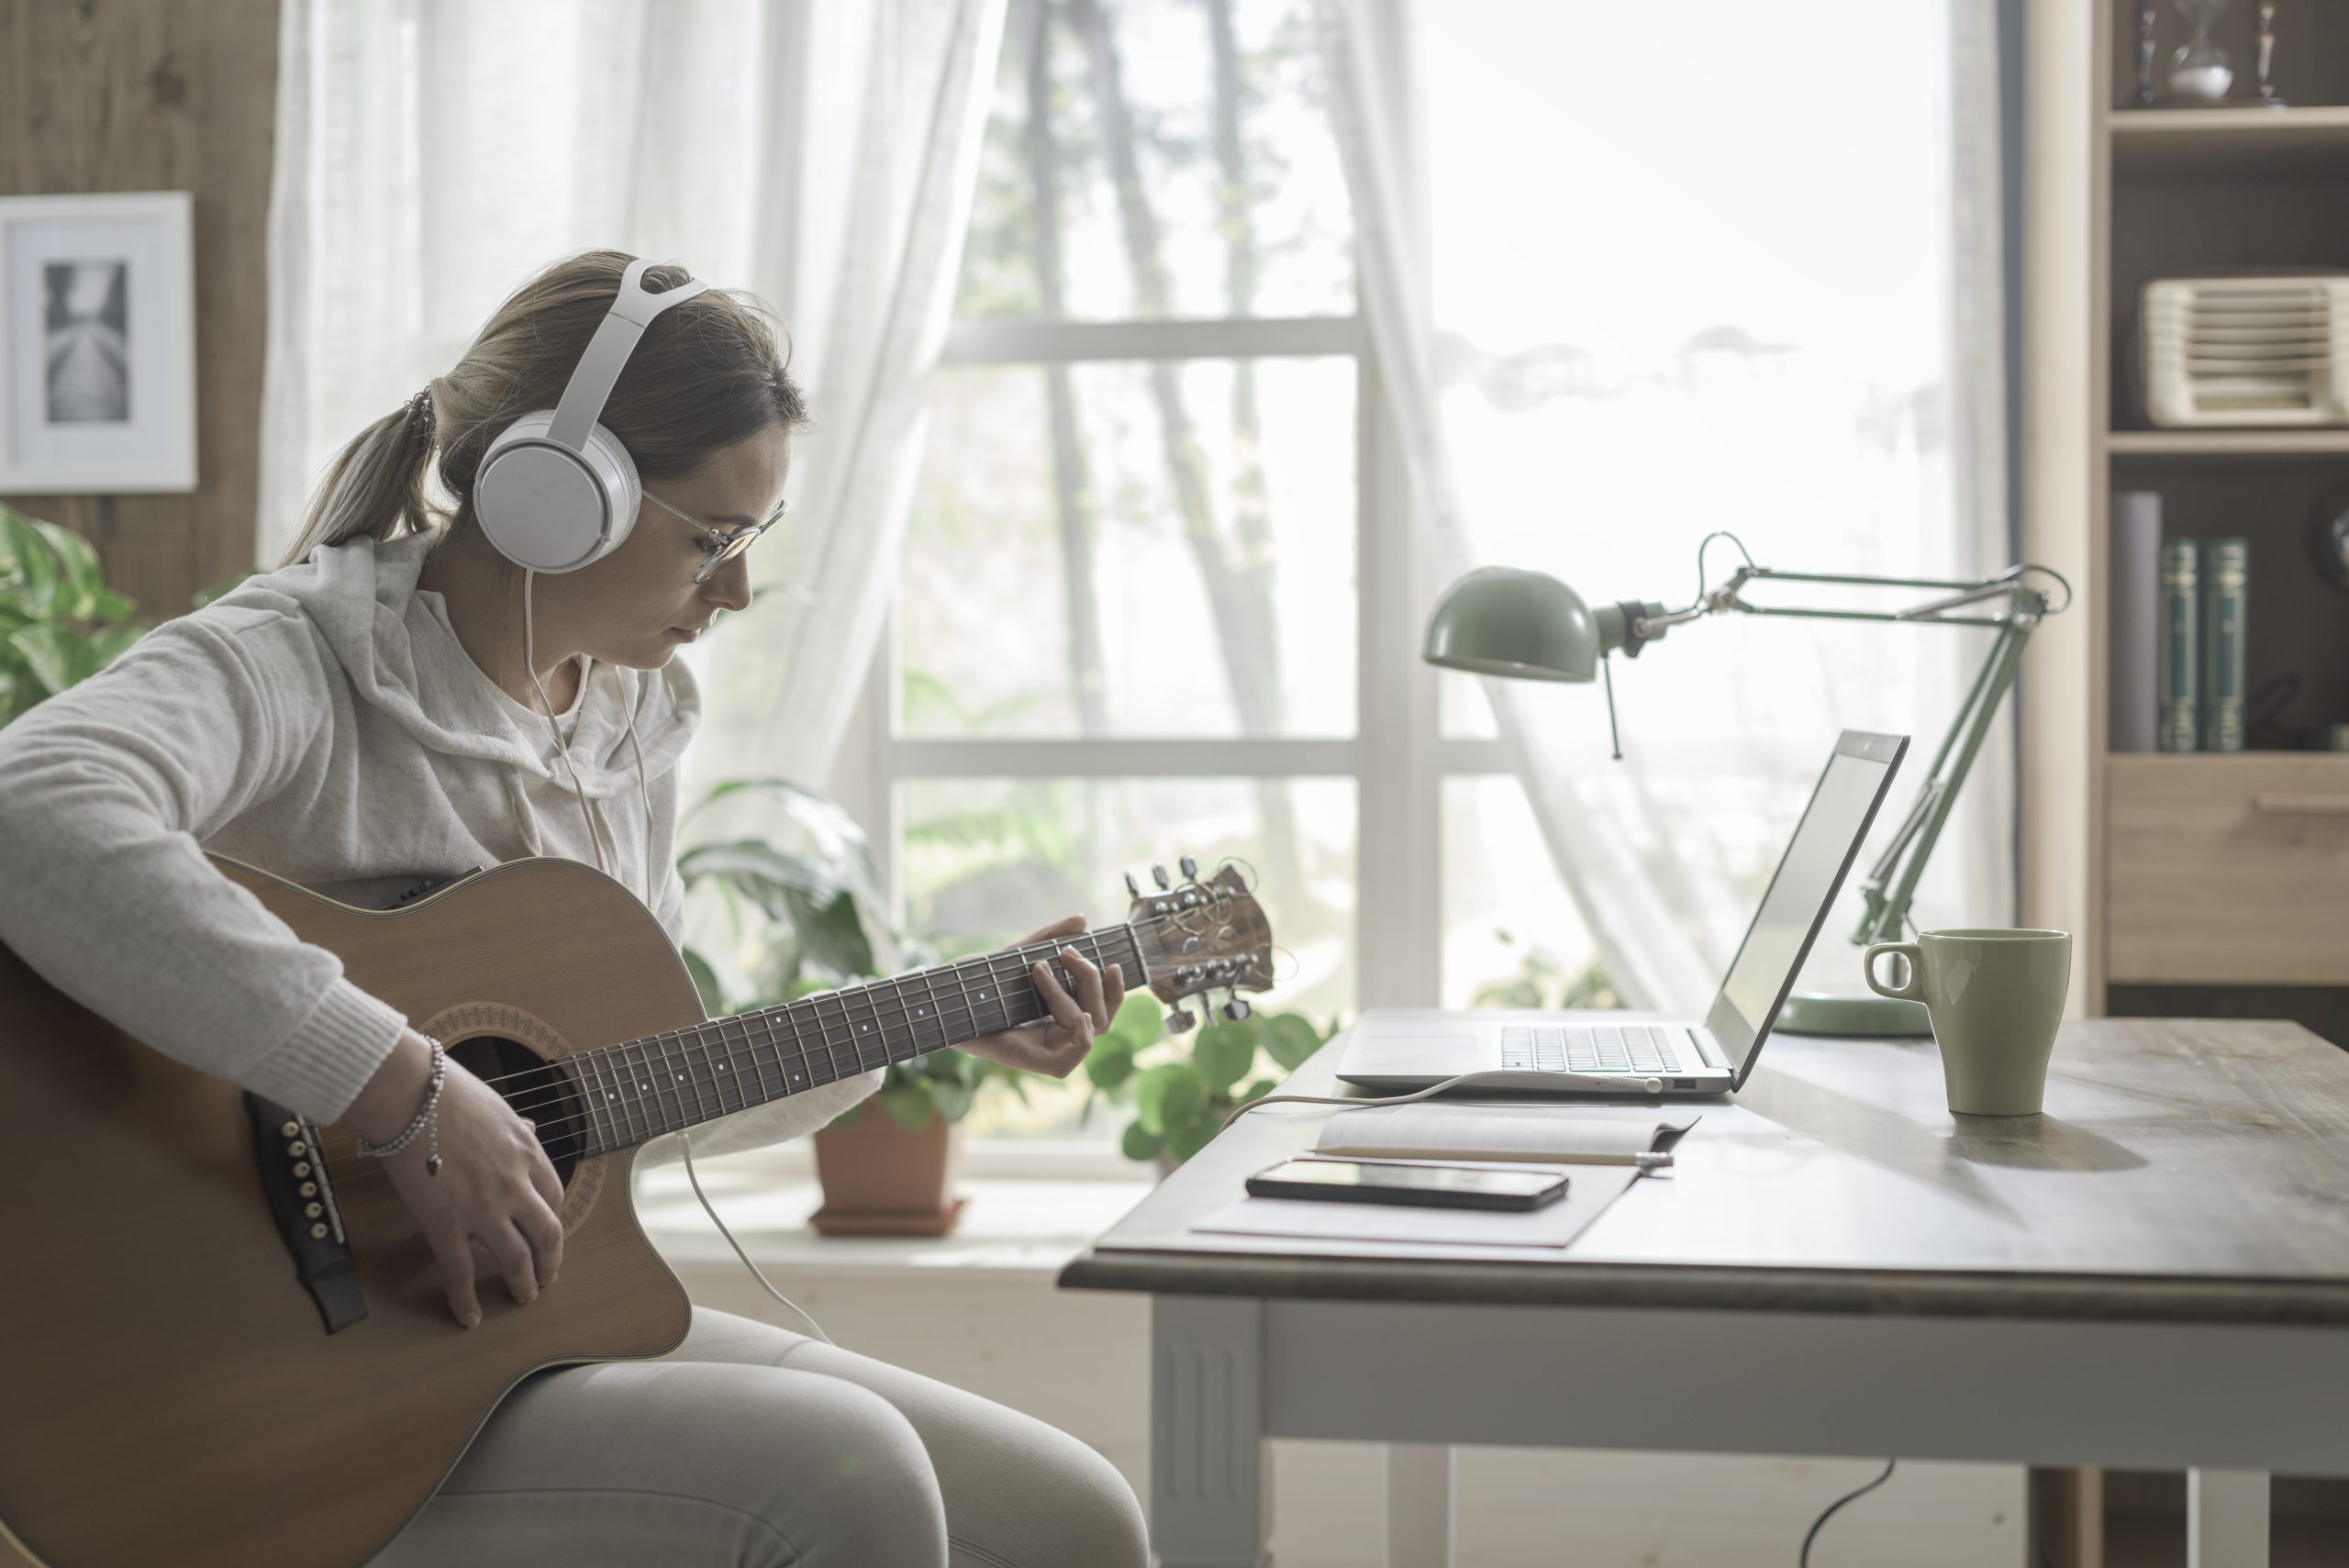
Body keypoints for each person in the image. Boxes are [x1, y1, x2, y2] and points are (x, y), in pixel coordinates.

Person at [0, 250, 1152, 1567]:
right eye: (710, 539)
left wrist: (943, 1014)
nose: (734, 593)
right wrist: (404, 1090)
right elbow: (31, 805)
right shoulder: (300, 660)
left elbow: (608, 1094)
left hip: (501, 1332)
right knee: (854, 1482)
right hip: (242, 1392)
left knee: (1076, 1520)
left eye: (752, 542)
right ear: (551, 498)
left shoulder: (625, 721)